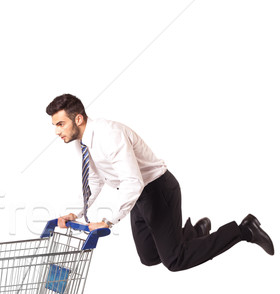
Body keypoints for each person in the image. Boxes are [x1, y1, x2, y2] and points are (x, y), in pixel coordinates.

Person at [47, 93, 274, 271]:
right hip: (137, 196)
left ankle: (244, 230)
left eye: (60, 124)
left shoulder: (109, 135)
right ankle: (194, 233)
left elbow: (133, 181)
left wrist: (109, 221)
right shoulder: (82, 142)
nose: (57, 131)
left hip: (157, 190)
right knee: (149, 257)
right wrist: (76, 213)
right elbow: (94, 179)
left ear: (78, 118)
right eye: (55, 125)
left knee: (175, 260)